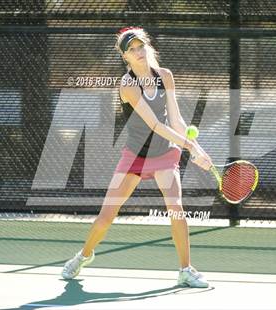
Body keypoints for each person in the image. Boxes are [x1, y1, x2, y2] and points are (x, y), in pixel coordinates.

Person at [61, 27, 214, 288]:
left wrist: (198, 148)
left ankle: (185, 270)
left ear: (147, 47)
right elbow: (154, 124)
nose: (138, 51)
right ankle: (84, 255)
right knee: (107, 216)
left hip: (165, 153)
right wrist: (190, 146)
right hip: (135, 157)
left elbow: (175, 120)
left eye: (141, 46)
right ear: (126, 58)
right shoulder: (127, 85)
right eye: (131, 49)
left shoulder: (165, 76)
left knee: (176, 210)